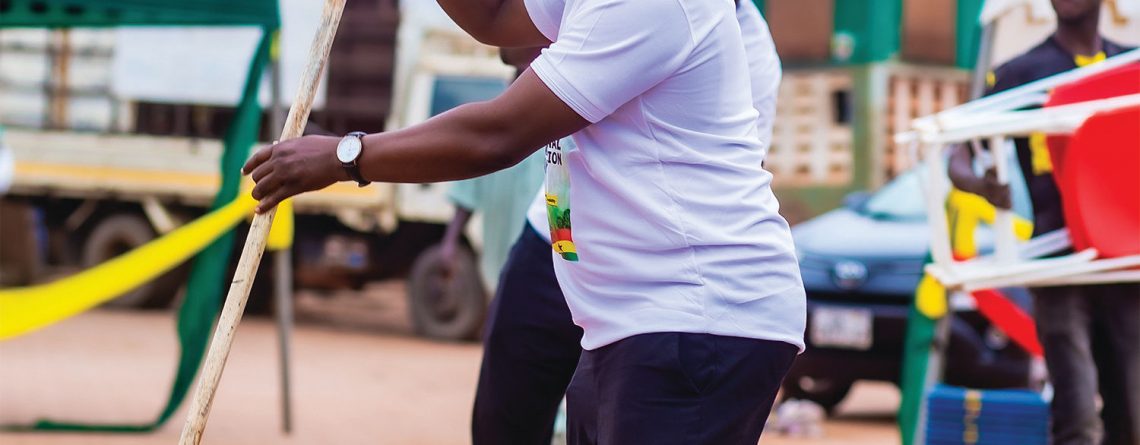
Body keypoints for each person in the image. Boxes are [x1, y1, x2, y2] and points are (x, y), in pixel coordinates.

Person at [243, 0, 805, 442]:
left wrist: (346, 156)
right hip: (618, 307)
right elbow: (495, 18)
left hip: (696, 314)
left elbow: (498, 135)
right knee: (503, 420)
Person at [470, 1, 785, 443]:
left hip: (659, 280)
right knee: (504, 418)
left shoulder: (739, 44)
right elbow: (506, 36)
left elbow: (499, 132)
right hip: (558, 238)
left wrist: (360, 156)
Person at [947, 1, 1138, 444]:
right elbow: (958, 151)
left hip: (1122, 262)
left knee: (1131, 417)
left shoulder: (1128, 65)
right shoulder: (1022, 72)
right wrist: (980, 184)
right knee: (1077, 415)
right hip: (1056, 262)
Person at [438, 48, 546, 294]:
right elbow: (466, 194)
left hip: (542, 258)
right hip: (498, 257)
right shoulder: (491, 129)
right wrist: (450, 242)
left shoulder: (557, 130)